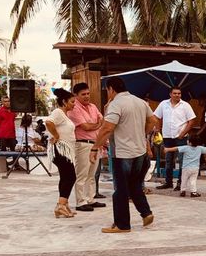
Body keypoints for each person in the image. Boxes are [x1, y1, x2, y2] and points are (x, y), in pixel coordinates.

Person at [91, 77, 156, 234]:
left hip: (123, 152)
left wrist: (95, 148)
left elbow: (107, 128)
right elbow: (153, 120)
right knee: (134, 185)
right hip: (139, 151)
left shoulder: (116, 104)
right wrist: (141, 133)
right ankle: (146, 213)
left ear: (111, 89)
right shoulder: (140, 102)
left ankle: (122, 224)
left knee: (120, 190)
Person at [67, 82, 106, 213]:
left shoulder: (93, 106)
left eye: (88, 93)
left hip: (95, 144)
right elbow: (85, 126)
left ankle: (90, 198)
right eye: (83, 94)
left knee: (92, 174)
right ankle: (80, 201)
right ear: (76, 95)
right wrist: (97, 124)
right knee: (82, 174)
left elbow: (102, 121)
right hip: (82, 143)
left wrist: (95, 124)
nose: (87, 96)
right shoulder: (74, 108)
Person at [153, 87, 196, 191]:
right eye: (175, 93)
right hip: (167, 136)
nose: (177, 95)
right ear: (170, 94)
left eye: (179, 93)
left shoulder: (185, 105)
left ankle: (180, 183)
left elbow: (192, 120)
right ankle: (168, 182)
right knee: (168, 160)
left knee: (182, 161)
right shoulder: (163, 104)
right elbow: (156, 116)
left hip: (180, 137)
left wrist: (183, 133)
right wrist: (158, 129)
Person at [45, 89, 78, 219]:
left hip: (66, 150)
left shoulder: (64, 115)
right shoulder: (58, 112)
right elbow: (48, 122)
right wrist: (56, 135)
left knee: (66, 177)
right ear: (64, 102)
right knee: (70, 176)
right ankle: (61, 205)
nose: (74, 104)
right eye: (72, 102)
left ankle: (64, 204)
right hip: (61, 150)